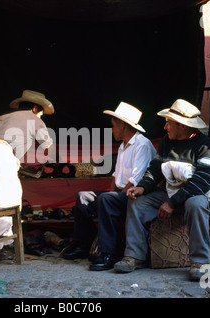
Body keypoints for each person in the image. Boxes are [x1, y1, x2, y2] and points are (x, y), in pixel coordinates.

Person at [113, 99, 210, 281]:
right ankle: (134, 256)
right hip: (168, 194)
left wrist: (172, 202)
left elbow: (202, 181)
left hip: (193, 196)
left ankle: (200, 262)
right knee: (137, 203)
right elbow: (154, 170)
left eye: (169, 123)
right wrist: (142, 187)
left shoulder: (206, 146)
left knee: (197, 204)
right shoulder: (166, 142)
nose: (165, 127)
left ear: (182, 126)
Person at [61, 102, 156, 271]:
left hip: (136, 196)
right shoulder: (122, 146)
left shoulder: (142, 145)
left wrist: (111, 198)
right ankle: (84, 244)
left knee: (106, 199)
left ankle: (108, 253)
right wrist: (110, 194)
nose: (112, 130)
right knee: (83, 196)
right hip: (121, 194)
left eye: (113, 126)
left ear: (123, 126)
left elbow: (136, 180)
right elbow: (116, 176)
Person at [0, 90, 54, 164]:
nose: (40, 118)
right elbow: (48, 148)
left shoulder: (3, 116)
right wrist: (60, 160)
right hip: (0, 156)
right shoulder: (35, 119)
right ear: (35, 109)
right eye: (41, 115)